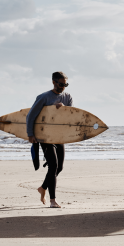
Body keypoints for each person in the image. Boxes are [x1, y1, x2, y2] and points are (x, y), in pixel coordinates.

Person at [27, 71, 73, 208]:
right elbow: (30, 116)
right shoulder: (43, 97)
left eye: (65, 84)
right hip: (45, 136)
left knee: (59, 167)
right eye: (60, 84)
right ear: (53, 82)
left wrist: (63, 110)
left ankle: (43, 188)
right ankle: (53, 201)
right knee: (52, 165)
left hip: (59, 136)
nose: (63, 87)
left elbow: (70, 117)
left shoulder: (68, 97)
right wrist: (30, 134)